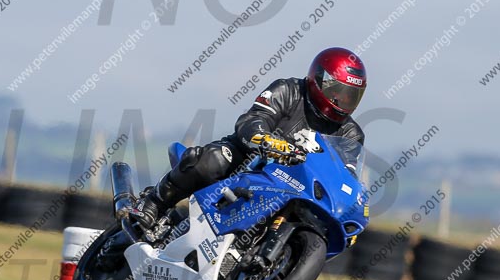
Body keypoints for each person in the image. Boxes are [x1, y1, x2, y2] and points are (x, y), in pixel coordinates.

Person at [130, 47, 368, 230]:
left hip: (296, 188)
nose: (342, 101)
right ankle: (153, 203)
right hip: (249, 160)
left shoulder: (351, 134)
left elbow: (345, 174)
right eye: (337, 92)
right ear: (318, 80)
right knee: (213, 159)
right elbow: (253, 120)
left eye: (350, 97)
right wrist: (266, 140)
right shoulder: (288, 90)